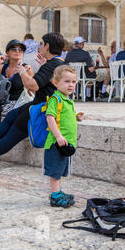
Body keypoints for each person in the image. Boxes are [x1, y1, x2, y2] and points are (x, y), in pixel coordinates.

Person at [0, 32, 66, 168]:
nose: (40, 47)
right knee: (11, 115)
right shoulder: (55, 64)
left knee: (14, 133)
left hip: (42, 108)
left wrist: (21, 71)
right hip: (36, 104)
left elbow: (33, 86)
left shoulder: (52, 65)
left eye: (41, 44)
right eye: (13, 49)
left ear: (47, 46)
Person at [45, 65, 84, 208]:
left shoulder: (67, 99)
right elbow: (50, 118)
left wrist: (75, 117)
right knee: (55, 171)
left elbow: (63, 117)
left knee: (60, 169)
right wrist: (58, 136)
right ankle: (55, 197)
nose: (71, 85)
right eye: (67, 81)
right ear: (56, 83)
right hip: (56, 143)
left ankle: (58, 192)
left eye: (73, 82)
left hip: (65, 144)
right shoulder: (56, 99)